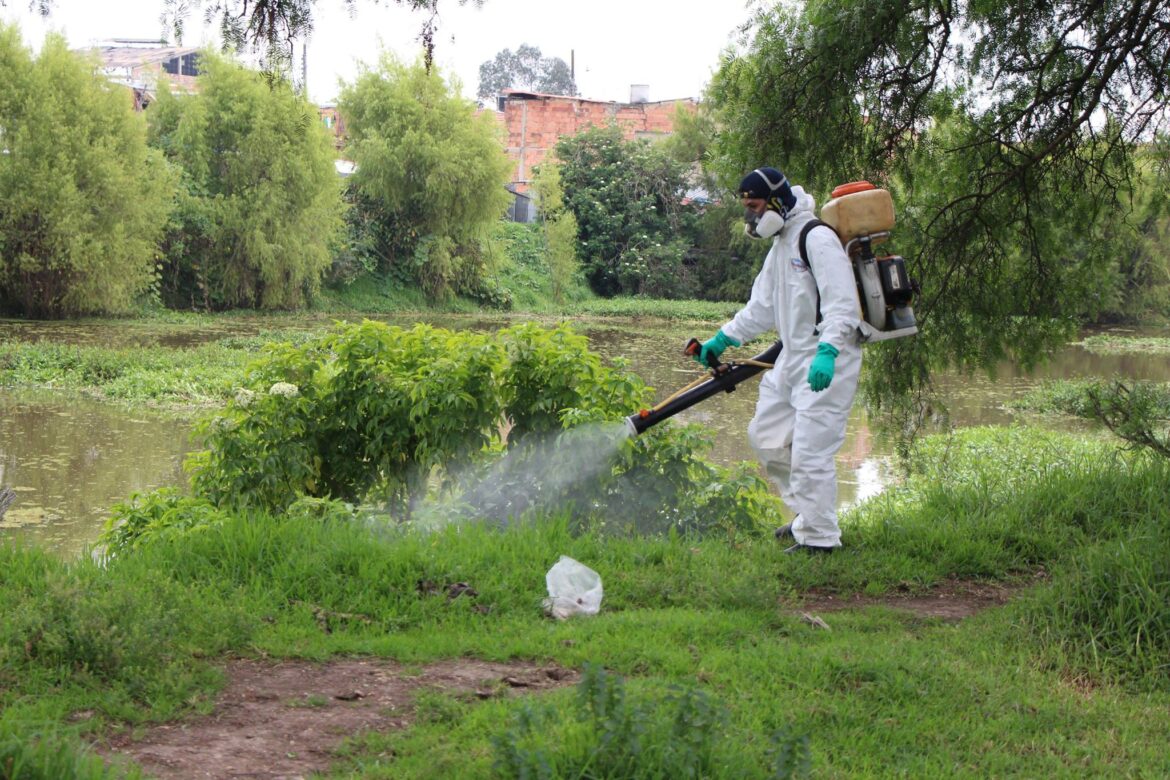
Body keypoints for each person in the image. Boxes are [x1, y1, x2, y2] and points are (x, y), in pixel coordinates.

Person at [695, 167, 862, 554]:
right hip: (792, 357)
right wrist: (722, 339)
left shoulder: (816, 238)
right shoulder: (782, 244)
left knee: (810, 451)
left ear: (775, 201)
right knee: (766, 437)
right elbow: (762, 308)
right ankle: (808, 516)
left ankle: (821, 541)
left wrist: (829, 351)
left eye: (754, 207)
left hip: (828, 357)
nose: (750, 217)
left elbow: (842, 303)